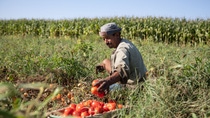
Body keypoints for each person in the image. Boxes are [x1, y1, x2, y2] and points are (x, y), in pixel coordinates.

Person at [94, 22, 147, 93]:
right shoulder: (124, 42)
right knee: (105, 62)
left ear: (117, 35)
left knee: (102, 91)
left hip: (134, 86)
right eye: (104, 39)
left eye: (107, 38)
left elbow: (121, 71)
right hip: (139, 79)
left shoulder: (122, 50)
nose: (106, 42)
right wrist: (103, 65)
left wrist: (108, 81)